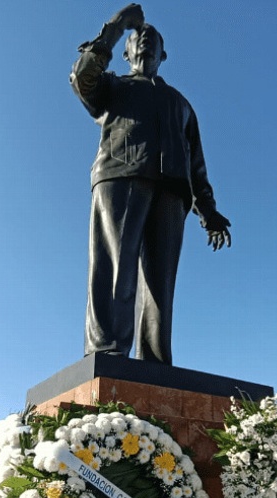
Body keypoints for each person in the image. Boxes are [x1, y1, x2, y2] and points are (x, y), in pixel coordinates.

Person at [71, 3, 231, 365]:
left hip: (173, 191)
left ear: (164, 54)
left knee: (161, 285)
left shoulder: (181, 104)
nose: (144, 42)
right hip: (120, 176)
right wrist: (114, 28)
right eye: (137, 38)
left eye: (151, 39)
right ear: (126, 52)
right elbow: (82, 77)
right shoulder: (112, 86)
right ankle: (107, 352)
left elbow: (197, 163)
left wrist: (208, 210)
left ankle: (156, 363)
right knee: (116, 268)